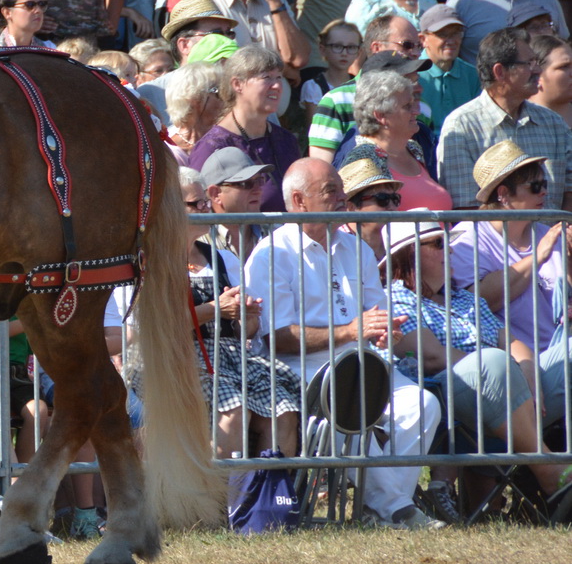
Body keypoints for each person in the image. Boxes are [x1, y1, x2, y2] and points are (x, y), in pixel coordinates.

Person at [243, 158, 446, 529]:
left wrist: (384, 327)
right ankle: (398, 510)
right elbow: (277, 337)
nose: (343, 198)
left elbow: (375, 311)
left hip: (362, 359)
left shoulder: (357, 249)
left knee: (424, 404)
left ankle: (382, 508)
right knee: (349, 403)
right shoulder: (272, 254)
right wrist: (350, 331)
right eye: (331, 191)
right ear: (300, 201)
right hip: (301, 368)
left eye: (342, 190)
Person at [379, 215, 569, 523]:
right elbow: (432, 357)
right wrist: (501, 365)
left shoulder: (465, 299)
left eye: (448, 244)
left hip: (500, 390)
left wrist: (528, 374)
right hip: (445, 397)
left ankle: (541, 480)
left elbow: (512, 342)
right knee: (491, 362)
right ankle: (547, 470)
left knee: (567, 355)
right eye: (439, 244)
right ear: (410, 254)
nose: (450, 252)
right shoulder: (394, 298)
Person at [107, 164, 299, 461]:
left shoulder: (222, 258)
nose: (206, 208)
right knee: (232, 411)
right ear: (167, 209)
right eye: (195, 203)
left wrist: (246, 318)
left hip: (228, 357)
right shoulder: (145, 263)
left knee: (283, 411)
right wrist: (213, 309)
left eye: (205, 202)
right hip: (168, 360)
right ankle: (220, 502)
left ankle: (265, 501)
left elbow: (244, 332)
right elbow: (150, 331)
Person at [447, 144, 571, 419]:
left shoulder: (547, 232)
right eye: (535, 185)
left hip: (559, 354)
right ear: (503, 194)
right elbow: (477, 301)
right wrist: (537, 258)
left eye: (545, 183)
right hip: (520, 370)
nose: (545, 192)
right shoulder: (468, 240)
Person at [436, 28, 572, 210]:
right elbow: (464, 210)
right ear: (500, 72)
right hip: (490, 239)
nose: (537, 70)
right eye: (529, 63)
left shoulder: (553, 123)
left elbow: (569, 193)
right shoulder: (462, 126)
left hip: (556, 237)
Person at [186, 46, 298, 211]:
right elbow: (197, 209)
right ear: (237, 84)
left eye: (279, 77)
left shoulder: (286, 140)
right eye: (267, 77)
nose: (276, 86)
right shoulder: (212, 147)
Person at [341, 69, 452, 209]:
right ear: (381, 116)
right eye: (407, 107)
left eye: (413, 103)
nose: (416, 111)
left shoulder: (414, 149)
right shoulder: (363, 158)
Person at [416, 4, 480, 134]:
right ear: (423, 39)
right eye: (443, 34)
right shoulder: (412, 75)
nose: (451, 41)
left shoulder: (473, 75)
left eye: (456, 34)